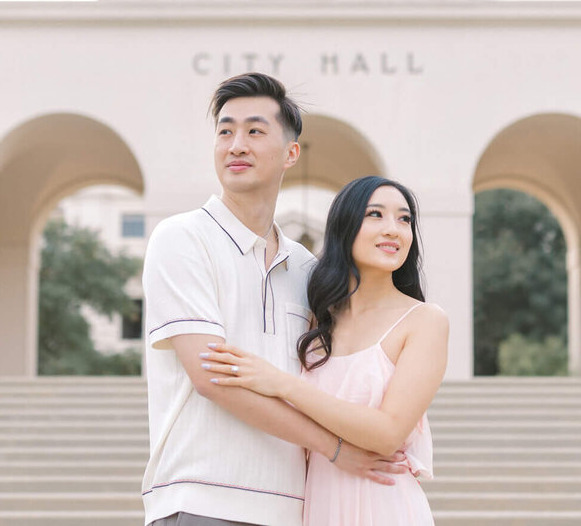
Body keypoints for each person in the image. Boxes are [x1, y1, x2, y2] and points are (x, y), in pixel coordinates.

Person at [141, 74, 408, 526]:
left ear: (291, 153)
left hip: (292, 507)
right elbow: (212, 379)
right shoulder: (182, 239)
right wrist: (335, 448)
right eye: (225, 131)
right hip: (201, 500)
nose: (236, 144)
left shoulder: (306, 268)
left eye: (255, 131)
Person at [199, 176, 448, 525]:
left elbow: (387, 433)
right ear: (344, 227)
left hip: (384, 504)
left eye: (404, 219)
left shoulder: (424, 321)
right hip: (316, 504)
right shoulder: (318, 321)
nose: (394, 229)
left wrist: (283, 384)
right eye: (375, 214)